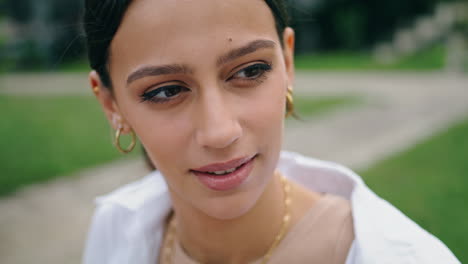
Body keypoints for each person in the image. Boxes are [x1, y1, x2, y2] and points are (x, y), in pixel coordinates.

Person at [82, 0, 460, 263]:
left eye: (250, 71)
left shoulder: (399, 256)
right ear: (111, 105)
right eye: (165, 91)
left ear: (288, 61)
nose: (219, 131)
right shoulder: (114, 229)